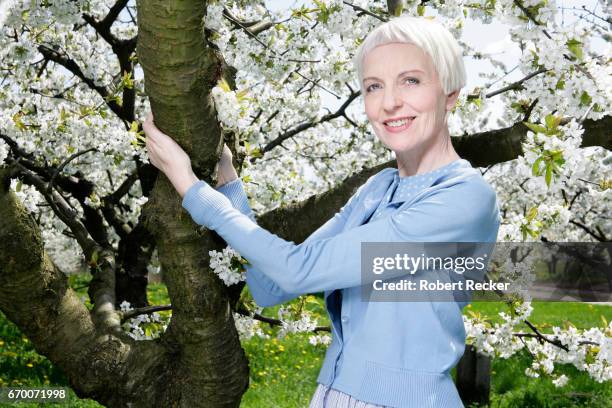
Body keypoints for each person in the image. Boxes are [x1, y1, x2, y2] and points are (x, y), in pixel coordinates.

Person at [144, 15, 500, 408]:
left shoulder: (464, 200)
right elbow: (271, 286)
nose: (390, 102)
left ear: (450, 92)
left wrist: (191, 189)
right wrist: (228, 182)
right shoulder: (377, 189)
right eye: (373, 86)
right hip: (330, 395)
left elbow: (300, 268)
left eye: (411, 81)